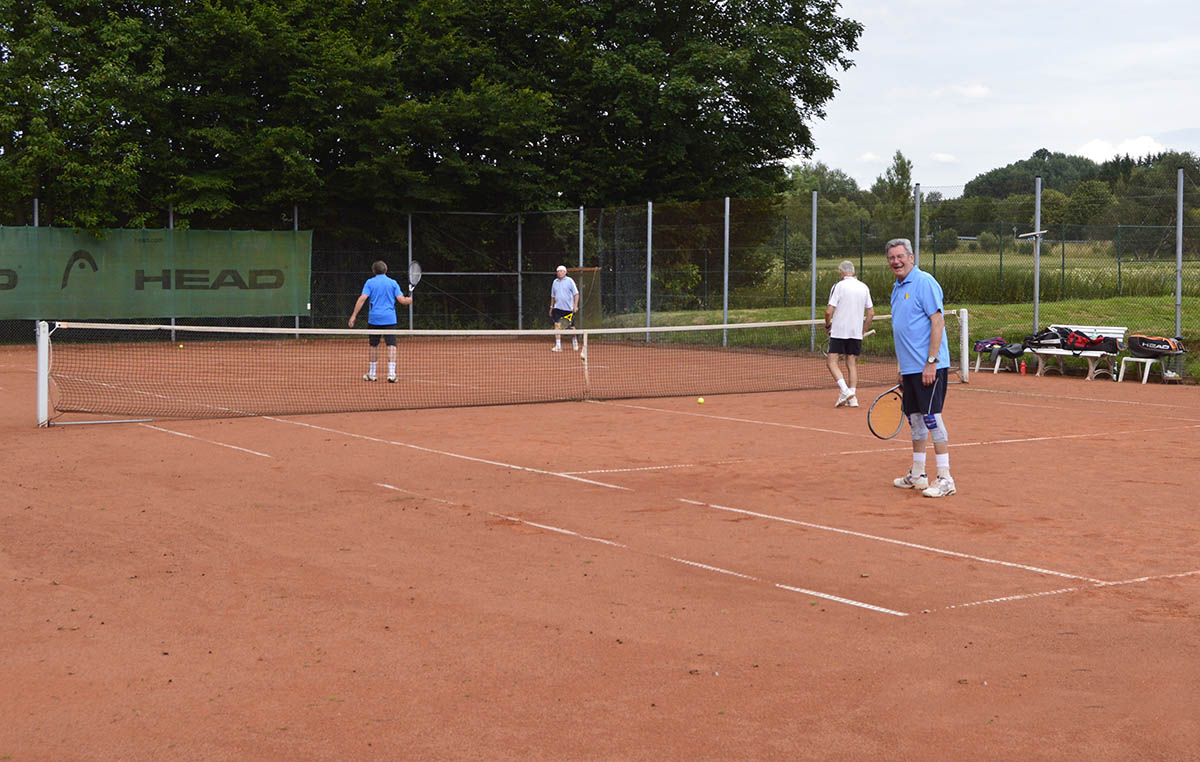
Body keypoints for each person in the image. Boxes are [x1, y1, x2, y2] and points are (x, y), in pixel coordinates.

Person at [886, 238, 955, 498]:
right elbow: (903, 331)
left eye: (901, 256)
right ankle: (918, 474)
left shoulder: (924, 282)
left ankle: (946, 478)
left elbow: (937, 323)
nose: (896, 261)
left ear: (912, 257)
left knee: (931, 418)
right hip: (910, 368)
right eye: (892, 258)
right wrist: (902, 368)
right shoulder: (897, 288)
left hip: (929, 366)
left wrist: (931, 362)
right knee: (915, 419)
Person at [348, 260, 413, 382]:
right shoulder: (393, 283)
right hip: (390, 319)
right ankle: (391, 374)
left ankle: (372, 374)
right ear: (386, 270)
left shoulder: (370, 283)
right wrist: (409, 300)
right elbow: (402, 301)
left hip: (374, 319)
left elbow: (362, 299)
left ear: (373, 271)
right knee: (391, 346)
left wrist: (353, 316)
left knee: (373, 346)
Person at [825, 260, 874, 408]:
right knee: (851, 363)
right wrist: (862, 331)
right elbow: (871, 313)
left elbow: (828, 311)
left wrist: (827, 326)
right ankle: (853, 398)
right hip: (855, 333)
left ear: (841, 272)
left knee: (831, 362)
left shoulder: (838, 286)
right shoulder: (864, 287)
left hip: (839, 331)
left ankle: (845, 391)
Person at [549, 264, 580, 352]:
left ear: (565, 272)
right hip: (557, 309)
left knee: (571, 327)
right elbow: (553, 296)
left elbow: (576, 294)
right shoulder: (555, 282)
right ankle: (558, 345)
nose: (559, 273)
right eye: (558, 271)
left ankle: (575, 342)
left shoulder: (570, 281)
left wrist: (575, 306)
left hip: (568, 309)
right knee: (557, 325)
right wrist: (551, 307)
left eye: (561, 271)